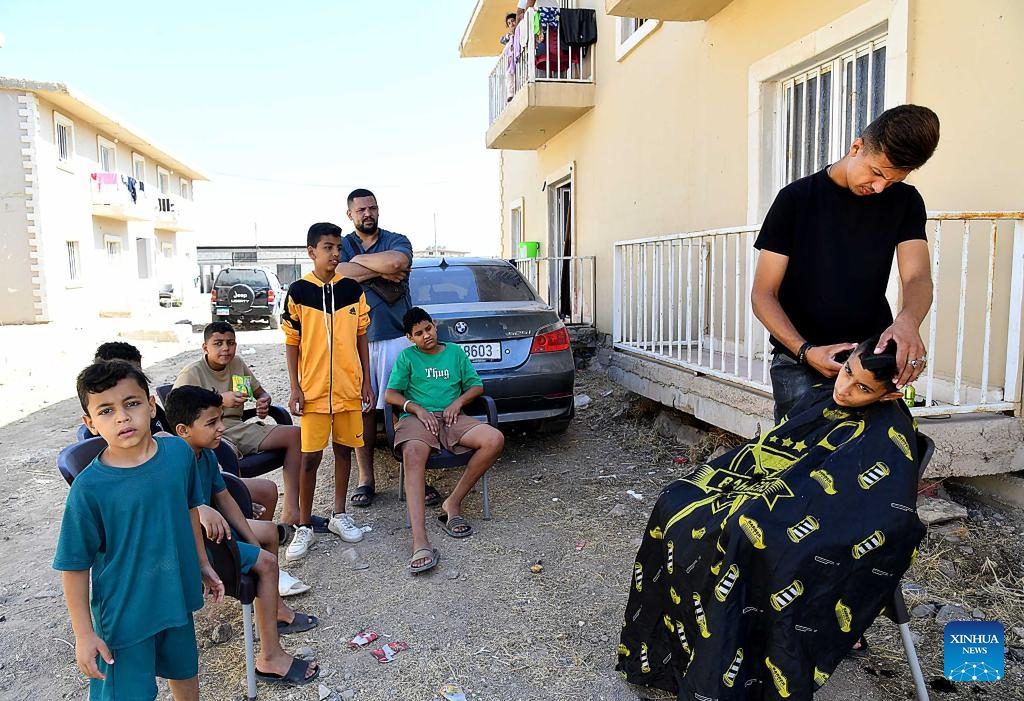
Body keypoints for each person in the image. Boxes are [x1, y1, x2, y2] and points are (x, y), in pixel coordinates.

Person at [617, 337, 926, 700]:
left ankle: (730, 672)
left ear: (889, 396)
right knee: (675, 500)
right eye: (846, 372)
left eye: (862, 388)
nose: (844, 389)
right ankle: (671, 658)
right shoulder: (824, 398)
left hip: (812, 519)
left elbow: (881, 512)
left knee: (742, 535)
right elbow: (777, 452)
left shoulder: (888, 434)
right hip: (771, 488)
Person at [751, 104, 941, 422]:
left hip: (869, 361)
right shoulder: (795, 200)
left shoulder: (906, 201)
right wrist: (804, 350)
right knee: (801, 463)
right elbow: (763, 294)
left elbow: (917, 276)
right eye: (877, 173)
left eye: (892, 181)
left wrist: (908, 321)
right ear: (857, 147)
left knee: (877, 460)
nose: (879, 188)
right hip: (799, 361)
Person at [54, 360, 224, 701]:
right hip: (124, 617)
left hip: (176, 597)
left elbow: (190, 509)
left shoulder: (178, 454)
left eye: (131, 403)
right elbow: (74, 565)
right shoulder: (89, 489)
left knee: (185, 675)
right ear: (90, 423)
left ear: (150, 405)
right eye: (106, 410)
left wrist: (201, 562)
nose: (122, 417)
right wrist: (84, 634)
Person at [164, 386, 319, 686]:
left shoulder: (206, 455)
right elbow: (181, 510)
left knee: (268, 534)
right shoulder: (175, 460)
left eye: (220, 419)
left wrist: (248, 537)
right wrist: (199, 509)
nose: (221, 427)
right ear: (183, 430)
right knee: (267, 564)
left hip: (216, 532)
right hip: (196, 545)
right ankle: (270, 657)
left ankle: (274, 611)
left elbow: (225, 500)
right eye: (211, 423)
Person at [335, 188, 439, 511]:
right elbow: (337, 272)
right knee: (363, 409)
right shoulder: (343, 245)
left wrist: (358, 267)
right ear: (349, 214)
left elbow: (398, 262)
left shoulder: (396, 239)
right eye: (361, 209)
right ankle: (366, 479)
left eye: (372, 208)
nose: (368, 214)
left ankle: (415, 476)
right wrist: (376, 270)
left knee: (406, 407)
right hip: (357, 340)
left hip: (397, 337)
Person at [384, 307, 505, 573]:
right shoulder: (407, 358)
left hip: (452, 418)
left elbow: (476, 386)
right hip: (418, 419)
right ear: (409, 337)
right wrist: (416, 408)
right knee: (413, 454)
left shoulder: (454, 353)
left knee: (494, 439)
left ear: (434, 326)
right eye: (418, 333)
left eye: (428, 329)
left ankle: (453, 502)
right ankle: (420, 540)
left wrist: (457, 403)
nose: (426, 336)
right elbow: (390, 395)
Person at [282, 222, 374, 562]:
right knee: (310, 457)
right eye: (327, 248)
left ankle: (338, 514)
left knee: (344, 451)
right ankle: (304, 524)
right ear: (311, 252)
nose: (335, 253)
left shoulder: (352, 290)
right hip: (314, 391)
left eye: (338, 247)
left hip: (349, 388)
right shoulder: (298, 292)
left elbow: (362, 335)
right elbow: (292, 342)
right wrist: (295, 386)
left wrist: (365, 380)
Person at [172, 321, 304, 528]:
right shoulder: (192, 373)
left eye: (230, 343)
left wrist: (264, 402)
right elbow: (177, 410)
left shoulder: (237, 364)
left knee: (295, 435)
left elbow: (260, 392)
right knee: (227, 451)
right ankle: (244, 517)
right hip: (211, 433)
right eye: (218, 343)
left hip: (238, 427)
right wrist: (219, 400)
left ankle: (291, 511)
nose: (225, 348)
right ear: (205, 347)